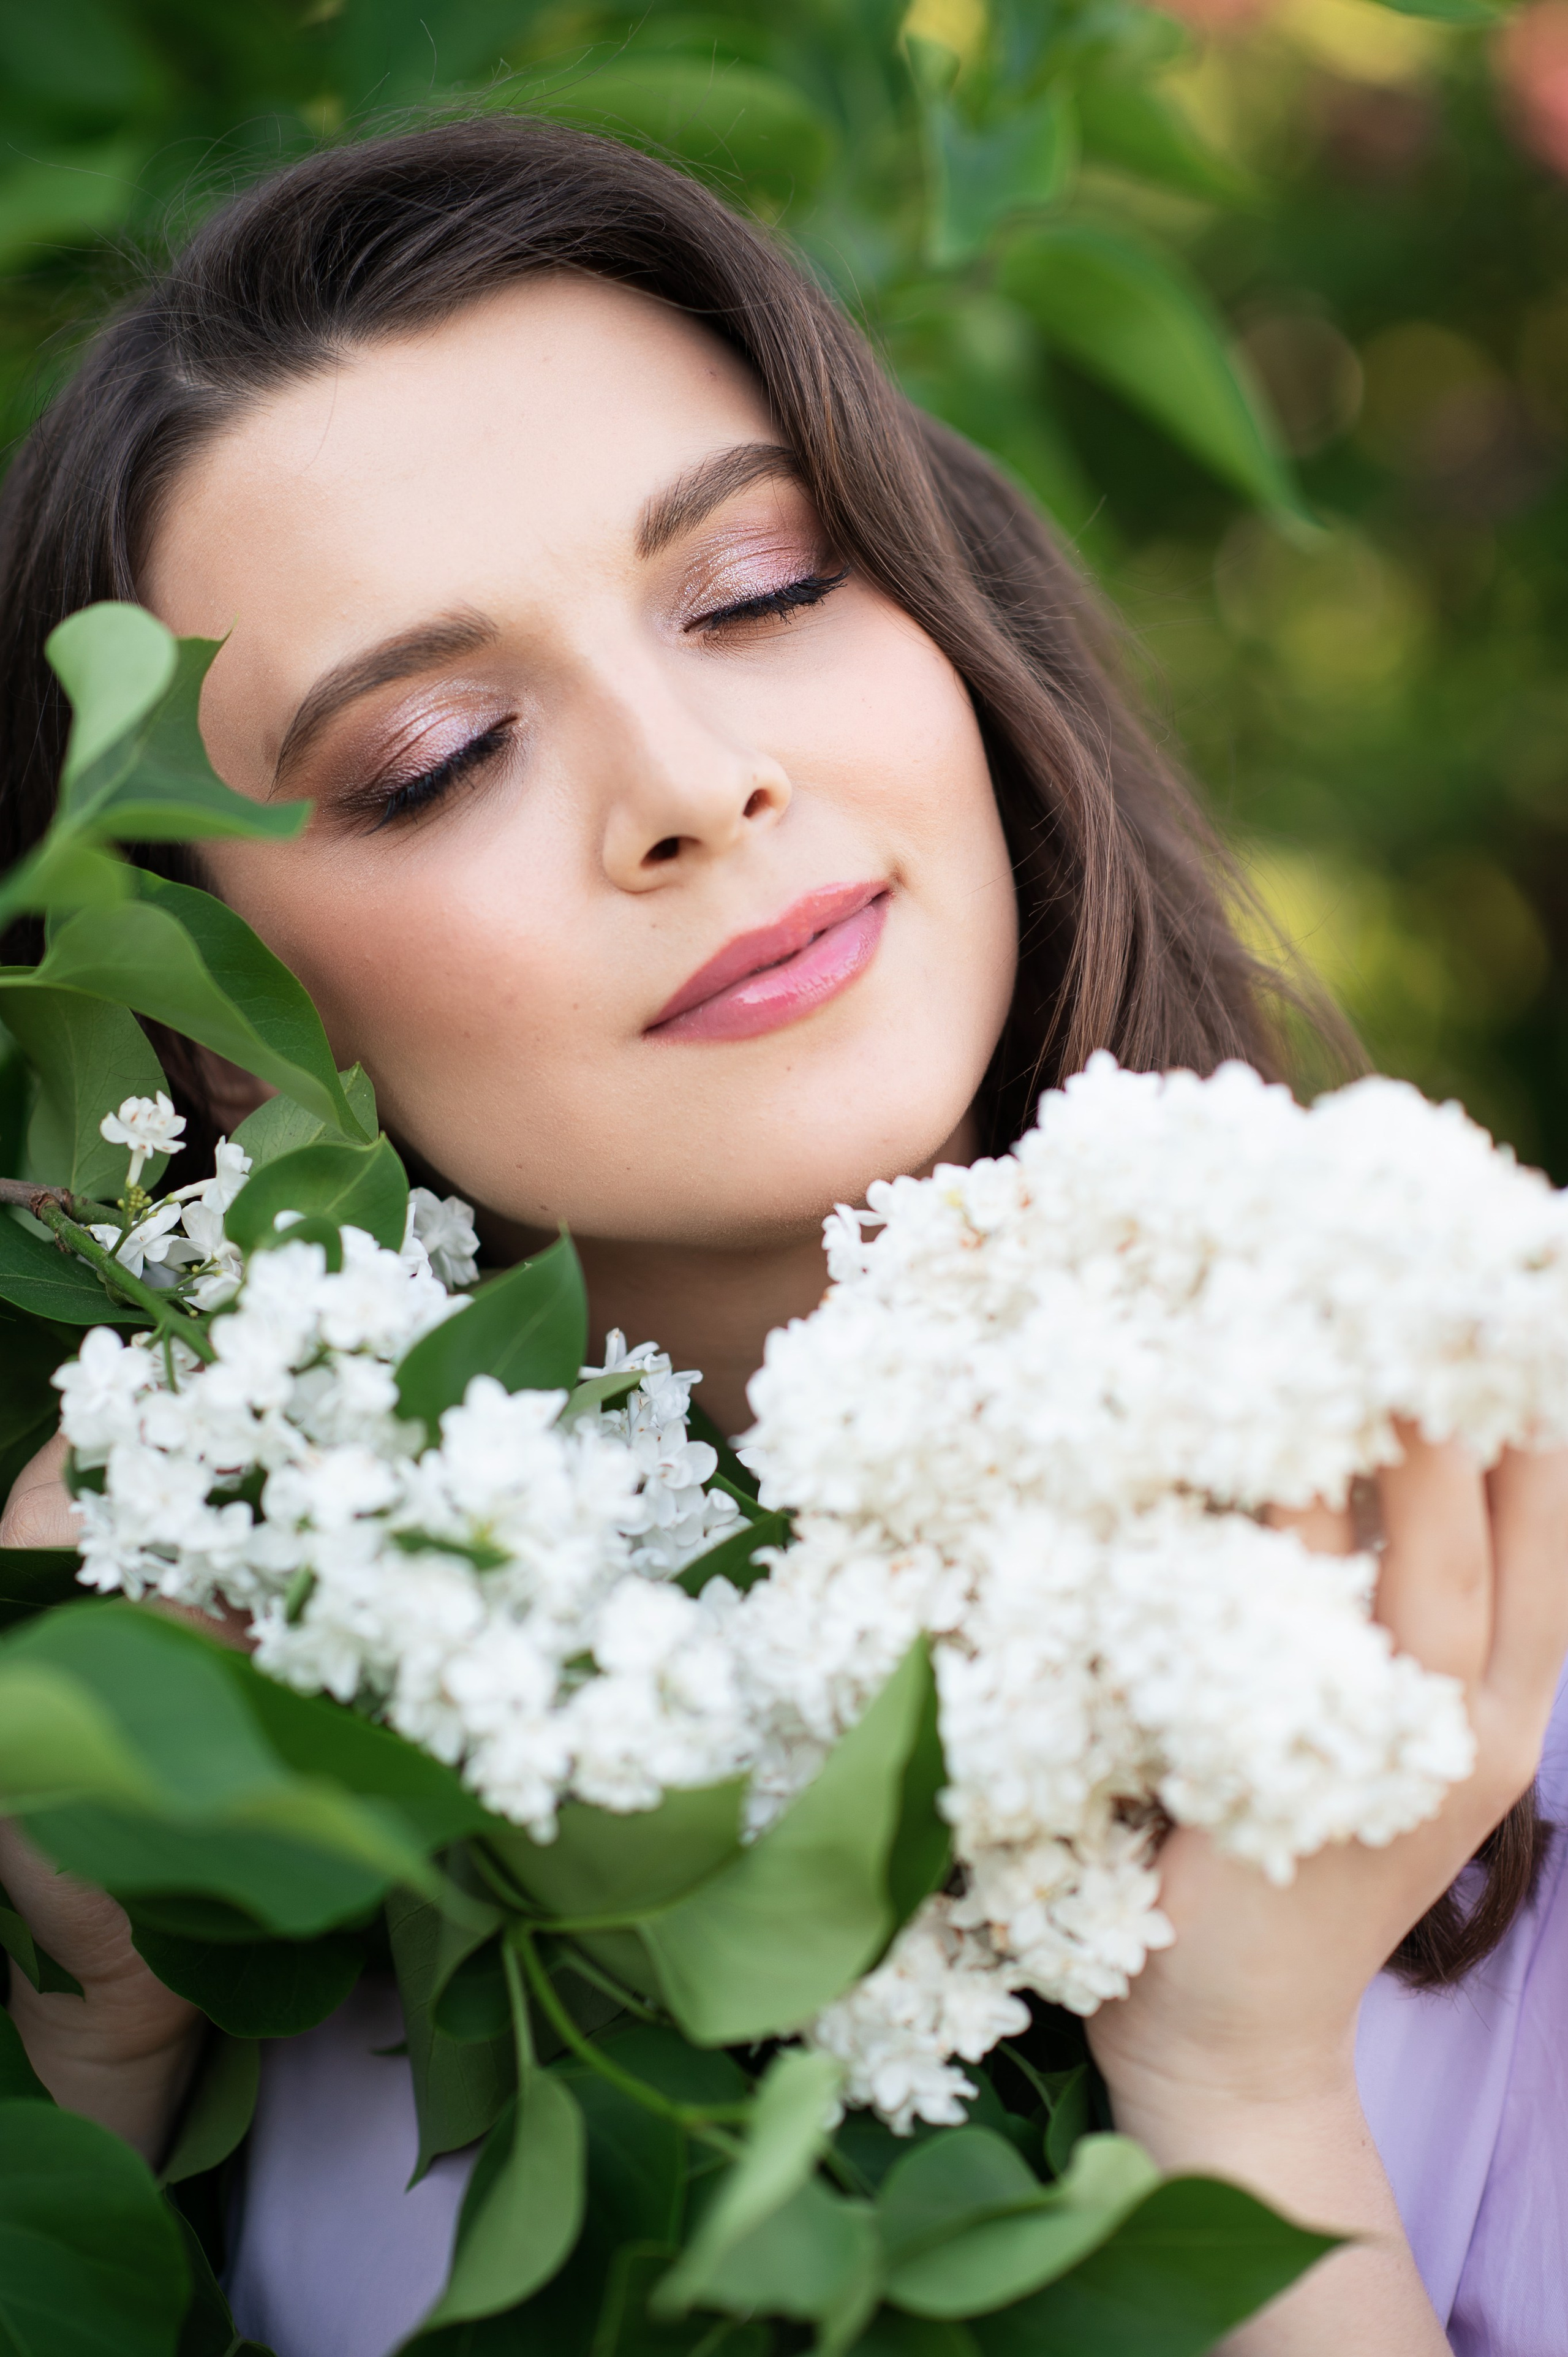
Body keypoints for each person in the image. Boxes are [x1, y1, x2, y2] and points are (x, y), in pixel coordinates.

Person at [1, 116, 1565, 2357]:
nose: (693, 781)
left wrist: (1243, 2085)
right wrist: (95, 2035)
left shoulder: (1488, 1538)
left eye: (758, 588)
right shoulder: (210, 1751)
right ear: (225, 1031)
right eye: (440, 756)